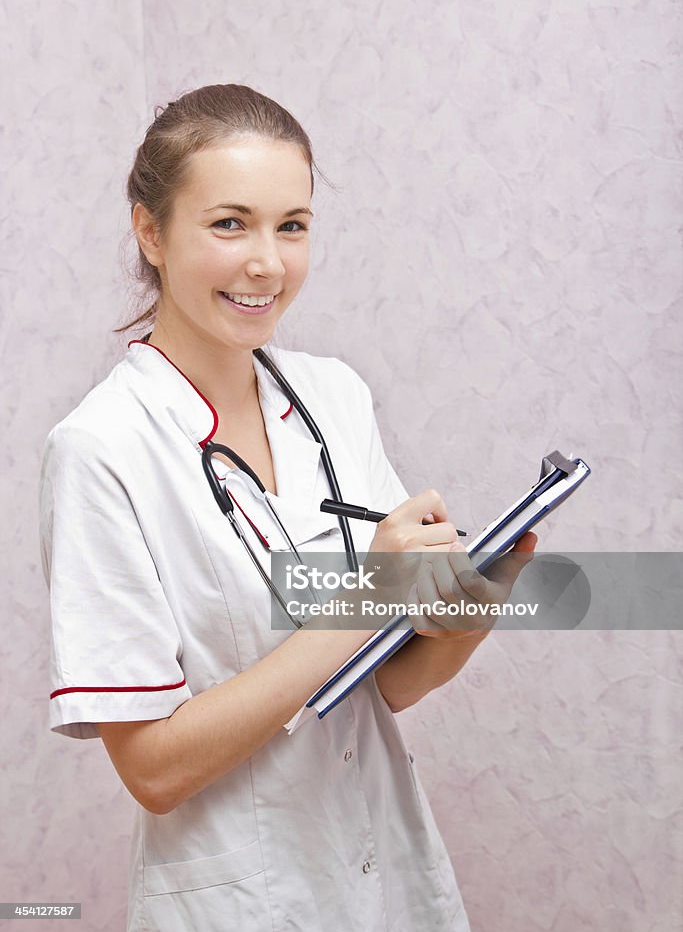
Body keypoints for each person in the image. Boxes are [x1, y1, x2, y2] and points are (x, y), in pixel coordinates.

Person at [39, 83, 537, 932]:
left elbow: (380, 686)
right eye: (229, 224)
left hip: (390, 879)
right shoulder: (100, 450)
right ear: (150, 232)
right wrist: (366, 601)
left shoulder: (334, 395)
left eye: (292, 225)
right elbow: (153, 770)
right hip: (241, 903)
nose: (267, 262)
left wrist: (464, 616)